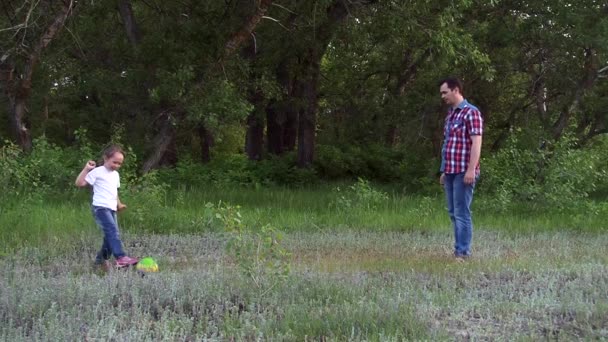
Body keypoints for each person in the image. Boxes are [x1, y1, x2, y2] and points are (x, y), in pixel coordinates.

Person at [438, 78, 483, 260]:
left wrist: (471, 170)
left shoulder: (471, 113)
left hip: (464, 171)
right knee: (453, 212)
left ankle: (462, 253)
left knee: (462, 212)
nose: (442, 96)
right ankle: (459, 249)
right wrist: (443, 170)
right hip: (450, 170)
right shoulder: (451, 115)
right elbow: (447, 144)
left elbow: (476, 143)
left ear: (455, 90)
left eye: (444, 92)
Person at [75, 145, 138, 270]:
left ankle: (99, 262)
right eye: (114, 162)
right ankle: (121, 257)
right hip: (100, 208)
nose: (117, 165)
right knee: (112, 232)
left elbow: (114, 192)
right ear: (105, 158)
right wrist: (86, 169)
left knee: (110, 236)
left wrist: (119, 204)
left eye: (119, 164)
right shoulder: (97, 172)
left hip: (111, 208)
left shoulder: (115, 175)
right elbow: (79, 183)